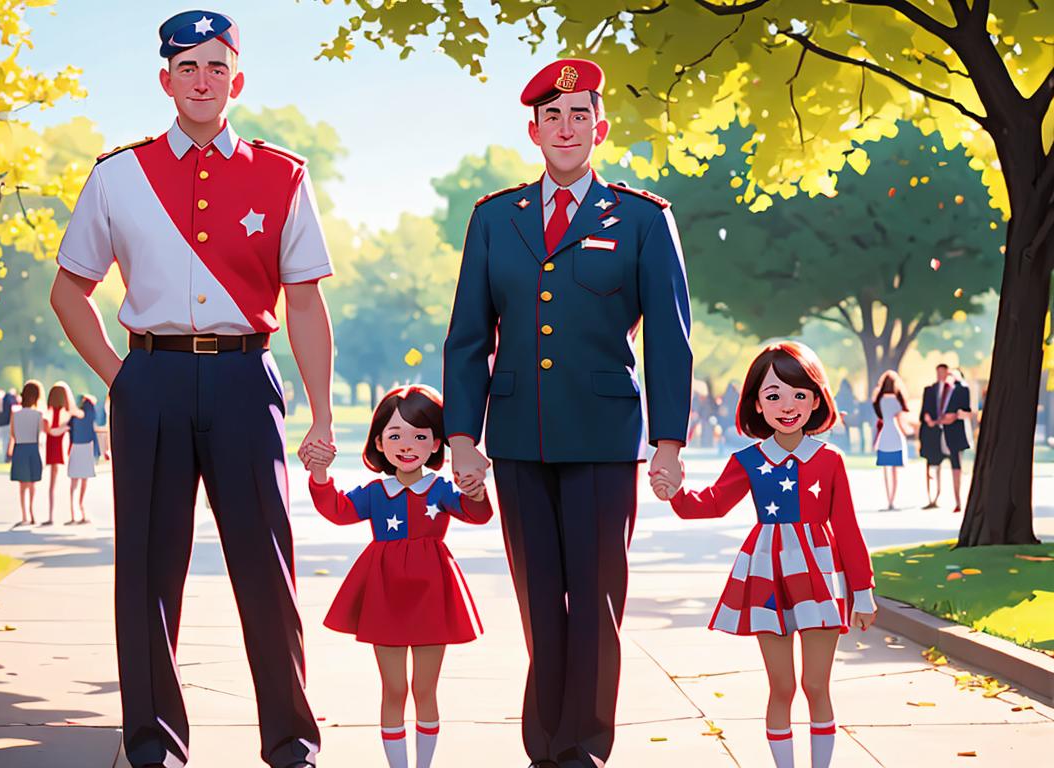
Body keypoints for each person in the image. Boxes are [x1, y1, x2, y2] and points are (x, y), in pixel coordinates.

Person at [49, 11, 333, 768]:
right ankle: (152, 744)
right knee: (145, 569)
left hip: (246, 376)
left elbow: (304, 301)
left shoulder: (283, 175)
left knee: (267, 567)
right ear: (165, 79)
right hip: (153, 376)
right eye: (187, 67)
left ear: (235, 79)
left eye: (216, 67)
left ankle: (292, 742)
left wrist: (324, 410)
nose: (202, 81)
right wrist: (122, 379)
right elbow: (70, 290)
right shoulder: (118, 175)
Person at [442, 58, 692, 768]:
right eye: (553, 115)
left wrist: (668, 441)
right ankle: (544, 745)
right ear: (534, 130)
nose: (566, 126)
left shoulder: (643, 219)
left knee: (595, 602)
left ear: (600, 127)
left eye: (580, 113)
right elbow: (467, 337)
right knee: (538, 603)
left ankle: (584, 745)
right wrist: (463, 436)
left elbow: (671, 340)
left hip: (604, 440)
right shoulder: (495, 219)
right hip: (520, 438)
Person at [652, 342, 876, 768]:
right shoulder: (749, 460)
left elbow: (847, 528)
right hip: (767, 577)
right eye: (773, 395)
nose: (787, 405)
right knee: (782, 687)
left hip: (820, 578)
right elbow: (713, 503)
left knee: (816, 685)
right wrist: (675, 493)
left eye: (798, 393)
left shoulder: (830, 461)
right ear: (756, 403)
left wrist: (862, 592)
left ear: (816, 398)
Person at [304, 386, 492, 768]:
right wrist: (319, 473)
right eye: (395, 435)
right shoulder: (376, 492)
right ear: (378, 442)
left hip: (431, 593)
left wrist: (475, 491)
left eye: (420, 436)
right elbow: (338, 510)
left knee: (425, 688)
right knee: (393, 688)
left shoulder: (439, 490)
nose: (407, 446)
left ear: (437, 443)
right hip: (384, 593)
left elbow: (478, 514)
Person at [918, 364, 972, 513]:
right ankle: (933, 498)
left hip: (954, 433)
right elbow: (924, 411)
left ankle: (958, 501)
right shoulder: (931, 389)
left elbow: (966, 412)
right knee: (934, 465)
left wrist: (954, 416)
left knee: (956, 465)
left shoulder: (960, 389)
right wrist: (929, 418)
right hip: (935, 434)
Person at [8, 380, 49, 527]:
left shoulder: (15, 414)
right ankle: (32, 513)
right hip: (33, 448)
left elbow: (12, 434)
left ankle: (24, 514)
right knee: (32, 484)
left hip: (20, 448)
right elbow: (40, 435)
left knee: (22, 484)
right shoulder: (38, 414)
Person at [872, 370, 911, 510]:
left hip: (884, 435)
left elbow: (879, 415)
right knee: (894, 471)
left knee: (885, 470)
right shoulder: (898, 400)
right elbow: (903, 419)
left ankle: (888, 498)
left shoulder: (880, 400)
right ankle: (892, 500)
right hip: (895, 434)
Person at [43, 381, 73, 526]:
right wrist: (64, 429)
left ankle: (51, 514)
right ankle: (65, 513)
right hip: (61, 446)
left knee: (53, 483)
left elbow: (47, 430)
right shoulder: (65, 413)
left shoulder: (49, 412)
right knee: (61, 481)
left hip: (53, 446)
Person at [67, 394, 99, 524]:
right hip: (86, 447)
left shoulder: (77, 414)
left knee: (74, 482)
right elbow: (93, 432)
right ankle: (80, 510)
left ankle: (74, 513)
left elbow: (70, 429)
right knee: (83, 481)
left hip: (78, 446)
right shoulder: (91, 411)